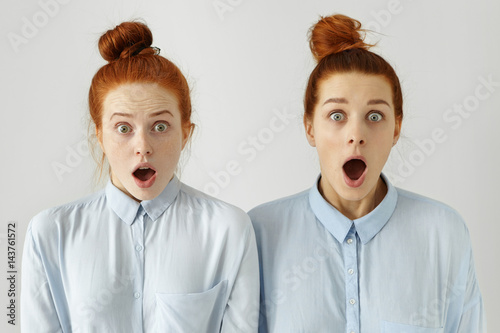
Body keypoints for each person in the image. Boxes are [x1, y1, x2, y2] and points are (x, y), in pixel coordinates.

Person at [249, 14, 486, 333]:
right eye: (336, 115)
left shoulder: (443, 233)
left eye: (375, 116)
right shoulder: (259, 233)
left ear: (396, 129)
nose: (356, 134)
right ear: (310, 128)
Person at [21, 21, 259, 332]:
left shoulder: (228, 229)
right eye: (123, 128)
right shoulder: (50, 233)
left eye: (160, 127)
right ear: (100, 136)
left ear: (186, 133)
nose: (143, 147)